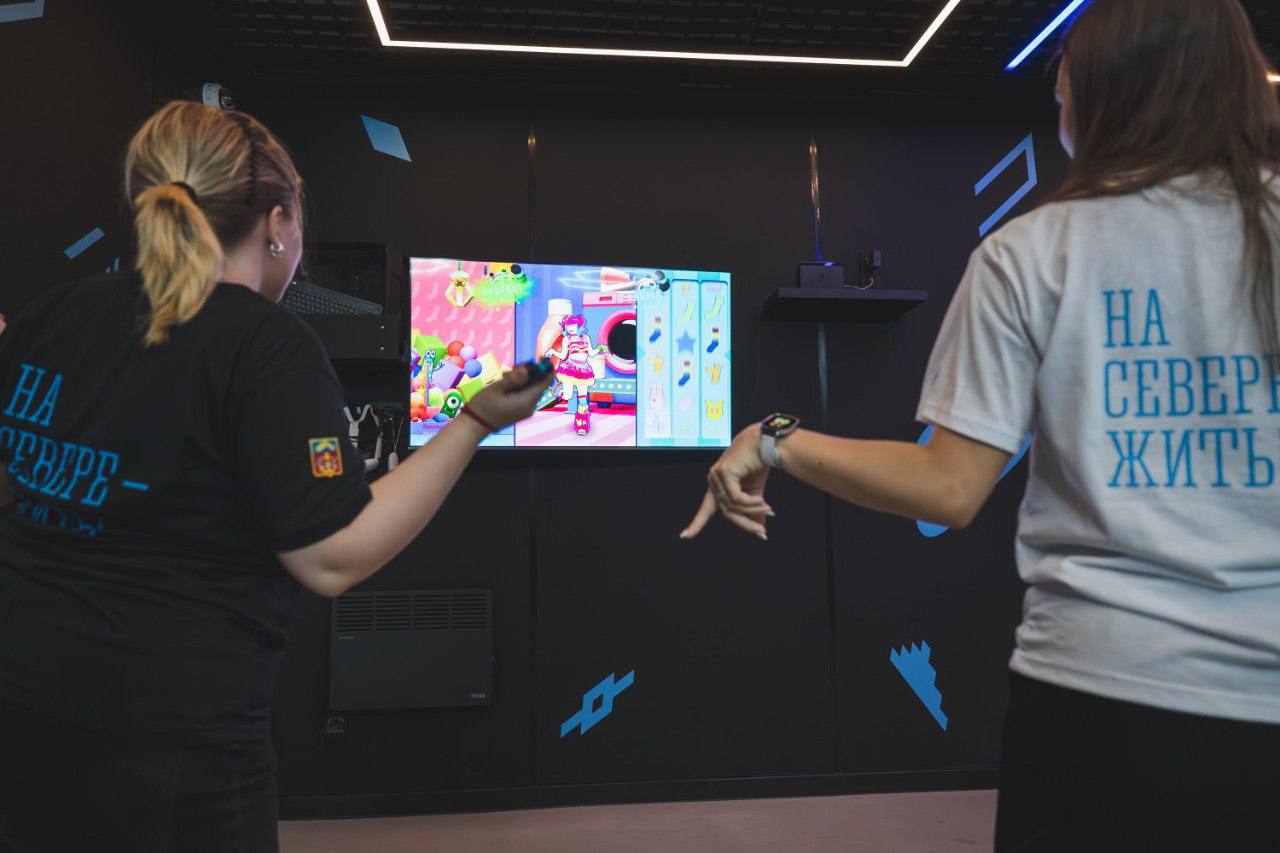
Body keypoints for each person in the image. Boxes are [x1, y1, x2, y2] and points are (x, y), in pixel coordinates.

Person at [684, 0, 1280, 849]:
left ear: (1105, 94)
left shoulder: (1029, 253)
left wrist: (771, 437)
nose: (1059, 104)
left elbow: (946, 491)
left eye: (1065, 84)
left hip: (1101, 699)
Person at [0, 101, 552, 852]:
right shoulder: (263, 344)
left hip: (20, 711)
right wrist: (476, 420)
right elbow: (332, 554)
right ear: (278, 222)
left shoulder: (55, 314)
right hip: (171, 742)